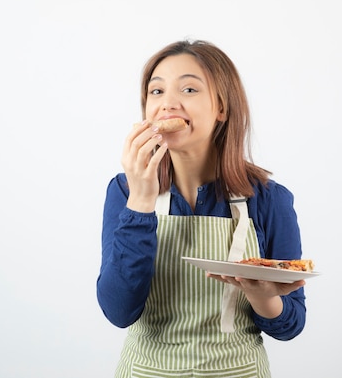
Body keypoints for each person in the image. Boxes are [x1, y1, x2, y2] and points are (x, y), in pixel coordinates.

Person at [97, 39, 308, 378]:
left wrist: (264, 296)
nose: (167, 104)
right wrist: (140, 202)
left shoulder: (269, 199)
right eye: (156, 92)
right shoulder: (125, 190)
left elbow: (290, 325)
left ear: (221, 108)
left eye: (189, 89)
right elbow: (119, 311)